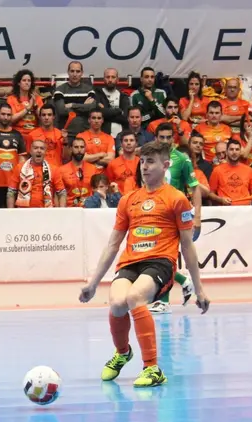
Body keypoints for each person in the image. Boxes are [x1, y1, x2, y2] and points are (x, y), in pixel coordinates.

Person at [80, 140, 210, 387]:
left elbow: (187, 246)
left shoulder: (177, 199)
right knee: (117, 303)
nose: (145, 167)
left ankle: (152, 369)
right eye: (142, 162)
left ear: (165, 165)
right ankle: (122, 352)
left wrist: (199, 288)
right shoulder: (128, 200)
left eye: (151, 162)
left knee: (135, 297)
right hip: (130, 262)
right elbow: (112, 244)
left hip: (161, 262)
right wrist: (93, 283)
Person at [131, 123, 201, 313]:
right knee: (152, 255)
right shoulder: (150, 159)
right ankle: (183, 281)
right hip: (154, 211)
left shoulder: (182, 159)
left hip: (175, 213)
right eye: (161, 137)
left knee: (164, 256)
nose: (165, 141)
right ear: (156, 138)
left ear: (173, 138)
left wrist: (198, 216)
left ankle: (164, 300)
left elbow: (194, 187)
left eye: (168, 137)